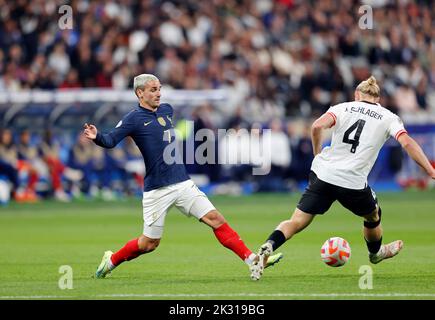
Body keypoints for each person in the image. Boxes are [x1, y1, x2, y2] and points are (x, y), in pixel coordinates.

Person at [83, 74, 283, 279]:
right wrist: (97, 136)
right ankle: (111, 261)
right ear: (139, 93)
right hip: (157, 189)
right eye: (153, 90)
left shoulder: (167, 110)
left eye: (159, 88)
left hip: (182, 182)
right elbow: (110, 140)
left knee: (215, 218)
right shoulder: (133, 118)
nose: (158, 93)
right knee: (149, 244)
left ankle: (253, 260)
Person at [250, 76, 435, 280]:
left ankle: (269, 245)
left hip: (323, 173)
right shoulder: (388, 117)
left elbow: (316, 127)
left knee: (297, 221)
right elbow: (407, 143)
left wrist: (317, 152)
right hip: (352, 182)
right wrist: (430, 170)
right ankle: (375, 254)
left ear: (357, 95)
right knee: (373, 215)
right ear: (378, 99)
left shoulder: (342, 108)